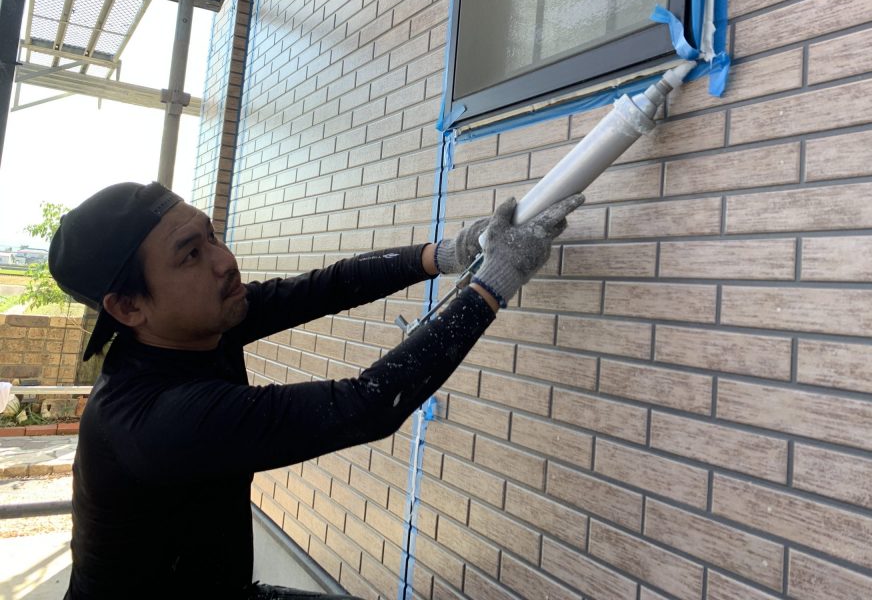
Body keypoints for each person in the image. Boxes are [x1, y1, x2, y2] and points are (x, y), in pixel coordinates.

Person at [48, 181, 583, 600]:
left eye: (211, 236)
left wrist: (447, 254)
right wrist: (492, 282)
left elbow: (328, 286)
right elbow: (368, 404)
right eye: (190, 254)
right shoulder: (153, 419)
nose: (224, 260)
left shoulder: (199, 323)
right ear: (127, 307)